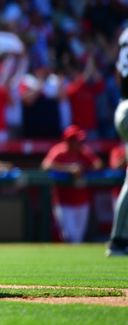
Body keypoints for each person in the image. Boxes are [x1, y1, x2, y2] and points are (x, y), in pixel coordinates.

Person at [41, 124, 102, 243]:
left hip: (82, 200)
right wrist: (69, 169)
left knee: (77, 238)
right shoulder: (59, 151)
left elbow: (98, 164)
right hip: (64, 202)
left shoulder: (83, 151)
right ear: (68, 140)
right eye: (75, 140)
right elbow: (45, 166)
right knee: (69, 236)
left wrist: (83, 168)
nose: (78, 143)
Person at [107, 27, 128, 256]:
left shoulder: (124, 34)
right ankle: (118, 240)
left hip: (123, 106)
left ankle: (120, 239)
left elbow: (118, 73)